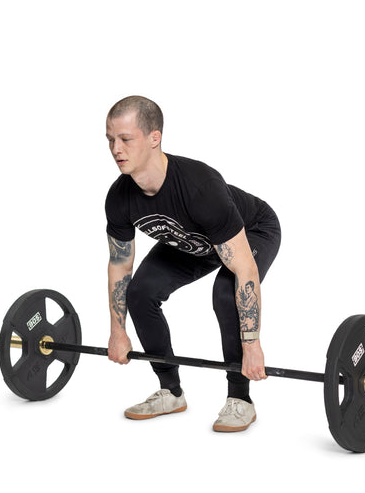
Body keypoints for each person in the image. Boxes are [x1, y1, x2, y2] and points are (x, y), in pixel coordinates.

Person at [105, 96, 281, 432]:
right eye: (111, 140)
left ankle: (240, 399)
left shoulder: (199, 188)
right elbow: (119, 265)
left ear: (154, 138)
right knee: (140, 293)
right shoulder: (119, 198)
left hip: (253, 229)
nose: (116, 148)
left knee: (226, 293)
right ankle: (170, 392)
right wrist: (118, 332)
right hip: (194, 242)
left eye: (125, 139)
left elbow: (245, 270)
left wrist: (252, 344)